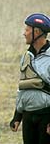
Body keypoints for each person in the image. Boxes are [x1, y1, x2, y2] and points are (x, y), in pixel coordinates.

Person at [9, 13, 50, 144]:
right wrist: (17, 116)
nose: (24, 33)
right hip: (28, 116)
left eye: (27, 30)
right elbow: (23, 86)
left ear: (37, 32)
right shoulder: (26, 56)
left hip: (46, 116)